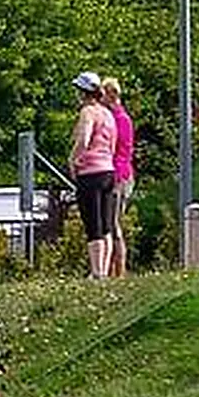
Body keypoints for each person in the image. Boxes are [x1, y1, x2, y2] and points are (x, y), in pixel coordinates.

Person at [68, 71, 117, 279]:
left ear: (83, 92)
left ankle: (96, 272)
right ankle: (104, 271)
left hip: (90, 173)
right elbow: (113, 143)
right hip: (108, 170)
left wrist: (73, 159)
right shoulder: (107, 113)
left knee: (92, 223)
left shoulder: (87, 112)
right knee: (106, 224)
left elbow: (85, 139)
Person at [101, 78, 135, 279]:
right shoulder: (112, 117)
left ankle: (119, 272)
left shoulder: (121, 119)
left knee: (113, 223)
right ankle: (111, 269)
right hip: (113, 173)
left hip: (119, 175)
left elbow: (120, 151)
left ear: (112, 94)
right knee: (109, 222)